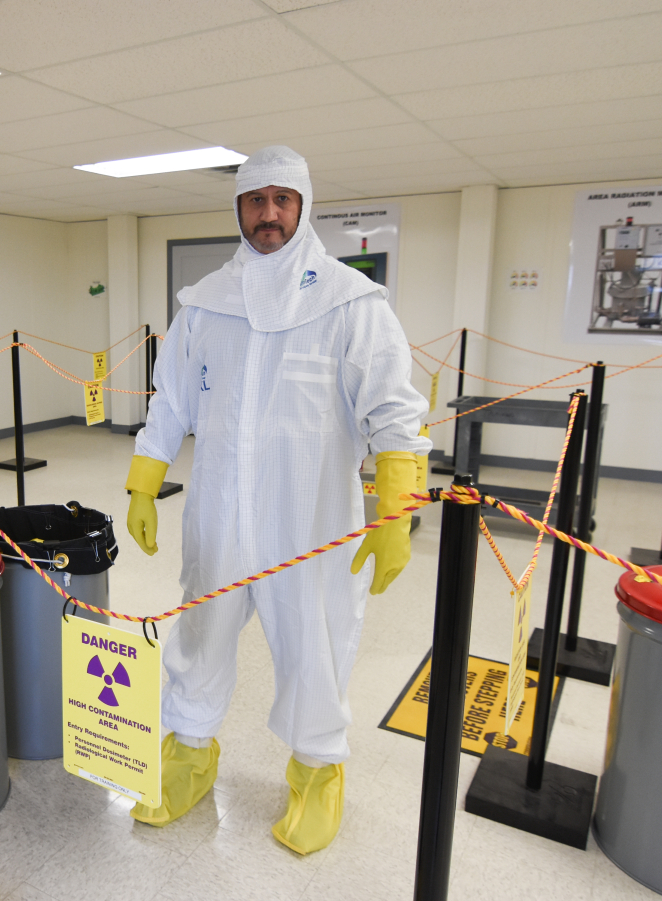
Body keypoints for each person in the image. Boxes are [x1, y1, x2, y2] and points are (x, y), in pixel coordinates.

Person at [123, 145, 431, 854]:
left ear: (304, 205)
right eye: (255, 200)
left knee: (315, 643)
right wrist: (144, 481)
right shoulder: (205, 303)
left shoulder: (353, 303)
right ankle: (190, 755)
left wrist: (396, 515)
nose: (269, 214)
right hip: (220, 516)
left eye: (282, 200)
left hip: (311, 518)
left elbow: (394, 413)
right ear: (238, 209)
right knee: (199, 638)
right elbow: (170, 400)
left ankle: (319, 772)